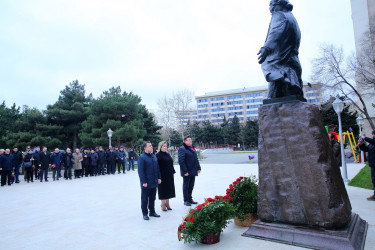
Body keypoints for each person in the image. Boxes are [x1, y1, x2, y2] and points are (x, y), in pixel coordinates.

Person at [257, 0, 303, 99]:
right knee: (293, 96)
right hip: (293, 61)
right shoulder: (292, 18)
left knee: (274, 77)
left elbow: (275, 32)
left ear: (279, 4)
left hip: (281, 60)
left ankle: (285, 77)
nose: (270, 9)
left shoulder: (279, 15)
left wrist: (266, 48)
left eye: (272, 5)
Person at [138, 141, 162, 220]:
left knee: (153, 198)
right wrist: (143, 182)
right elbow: (141, 171)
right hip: (146, 182)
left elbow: (158, 168)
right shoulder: (142, 157)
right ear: (145, 148)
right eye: (149, 146)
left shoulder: (154, 156)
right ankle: (145, 213)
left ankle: (152, 211)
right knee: (145, 199)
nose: (151, 147)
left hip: (154, 181)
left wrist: (159, 178)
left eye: (151, 145)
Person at [178, 135, 201, 206]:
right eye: (189, 140)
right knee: (186, 185)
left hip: (193, 170)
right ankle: (186, 200)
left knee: (191, 185)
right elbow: (181, 161)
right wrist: (185, 171)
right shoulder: (182, 149)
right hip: (187, 171)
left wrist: (198, 167)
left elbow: (195, 159)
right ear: (185, 141)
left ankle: (190, 199)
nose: (191, 141)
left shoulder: (192, 148)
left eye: (191, 139)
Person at [156, 141, 176, 211]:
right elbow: (157, 167)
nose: (165, 147)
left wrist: (173, 171)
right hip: (162, 175)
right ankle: (163, 204)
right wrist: (158, 176)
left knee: (169, 189)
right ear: (160, 147)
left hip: (169, 174)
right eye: (164, 146)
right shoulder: (158, 155)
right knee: (162, 190)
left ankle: (167, 203)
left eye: (166, 146)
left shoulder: (168, 154)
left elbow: (171, 163)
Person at [359, 130, 375, 201]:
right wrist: (361, 144)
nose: (373, 135)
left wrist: (365, 138)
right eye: (373, 134)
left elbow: (372, 141)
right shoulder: (371, 144)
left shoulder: (373, 142)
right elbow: (366, 149)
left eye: (374, 134)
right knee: (374, 180)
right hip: (373, 165)